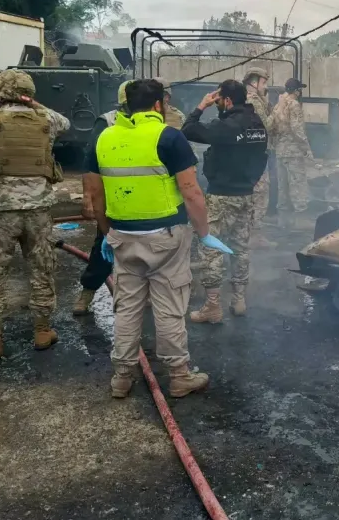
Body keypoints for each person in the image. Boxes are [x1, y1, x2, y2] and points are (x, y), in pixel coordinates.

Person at [83, 79, 211, 399]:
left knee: (127, 308)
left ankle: (122, 378)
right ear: (159, 104)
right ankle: (179, 377)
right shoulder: (169, 136)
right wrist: (204, 231)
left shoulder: (104, 138)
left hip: (123, 236)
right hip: (165, 236)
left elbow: (95, 194)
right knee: (168, 306)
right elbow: (192, 191)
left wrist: (106, 230)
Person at [0, 69, 69, 359]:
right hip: (39, 210)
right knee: (42, 268)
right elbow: (66, 122)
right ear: (30, 94)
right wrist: (34, 105)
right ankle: (43, 330)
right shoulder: (48, 120)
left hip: (0, 211)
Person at [181, 79, 268, 322]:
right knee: (240, 248)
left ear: (227, 100)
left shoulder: (226, 125)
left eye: (218, 100)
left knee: (212, 247)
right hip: (246, 195)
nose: (216, 103)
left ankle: (213, 306)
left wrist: (201, 106)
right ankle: (239, 300)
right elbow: (263, 159)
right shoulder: (257, 124)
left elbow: (188, 130)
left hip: (221, 195)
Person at [73, 81, 130, 317]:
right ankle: (86, 294)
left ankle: (139, 298)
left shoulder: (154, 120)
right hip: (113, 195)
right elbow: (91, 161)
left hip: (144, 197)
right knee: (104, 247)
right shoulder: (107, 121)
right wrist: (89, 196)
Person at [270, 77, 313, 228]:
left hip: (280, 152)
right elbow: (297, 129)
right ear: (297, 91)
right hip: (294, 152)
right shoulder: (294, 105)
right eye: (300, 89)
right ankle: (301, 221)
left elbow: (272, 127)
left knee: (283, 187)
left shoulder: (278, 105)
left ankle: (283, 220)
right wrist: (306, 149)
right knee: (298, 185)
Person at [243, 69, 274, 238]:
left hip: (255, 153)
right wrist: (277, 112)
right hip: (256, 154)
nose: (266, 86)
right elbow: (266, 126)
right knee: (260, 193)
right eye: (264, 83)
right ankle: (255, 236)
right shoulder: (253, 101)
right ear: (254, 83)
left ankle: (253, 232)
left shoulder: (257, 100)